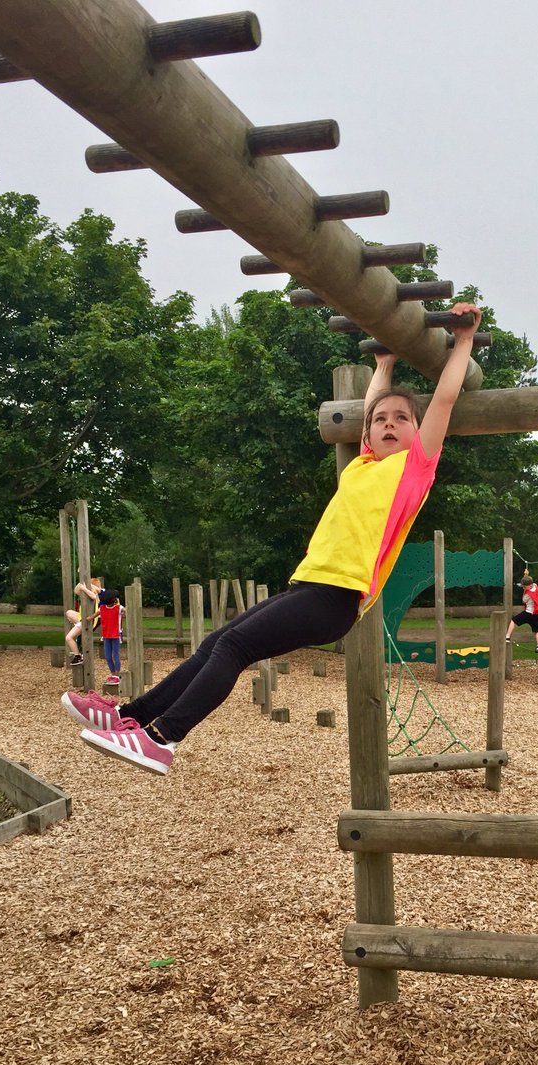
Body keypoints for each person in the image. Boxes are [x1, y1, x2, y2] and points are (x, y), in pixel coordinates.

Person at [60, 302, 483, 775]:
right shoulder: (365, 464)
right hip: (311, 588)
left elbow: (443, 401)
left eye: (401, 419)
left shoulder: (414, 469)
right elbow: (369, 407)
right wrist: (382, 365)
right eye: (381, 420)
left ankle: (161, 738)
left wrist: (463, 341)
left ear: (417, 433)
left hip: (338, 597)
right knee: (216, 643)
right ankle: (128, 716)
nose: (387, 424)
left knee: (232, 648)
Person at [64, 577, 102, 665]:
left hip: (85, 622)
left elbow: (93, 595)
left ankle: (78, 656)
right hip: (82, 620)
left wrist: (84, 588)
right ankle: (77, 653)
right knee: (69, 613)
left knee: (69, 638)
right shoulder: (88, 596)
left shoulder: (94, 595)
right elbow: (78, 591)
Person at [505, 570, 538, 653]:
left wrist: (525, 591)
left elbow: (523, 601)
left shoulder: (527, 595)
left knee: (513, 620)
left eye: (524, 587)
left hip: (528, 613)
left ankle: (507, 636)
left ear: (529, 586)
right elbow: (529, 582)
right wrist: (526, 575)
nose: (523, 588)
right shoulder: (535, 586)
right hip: (537, 614)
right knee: (536, 630)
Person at [97, 588, 125, 685]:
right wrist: (87, 619)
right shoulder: (102, 609)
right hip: (106, 635)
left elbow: (125, 611)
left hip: (116, 634)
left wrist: (124, 613)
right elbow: (95, 615)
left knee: (115, 655)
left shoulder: (119, 608)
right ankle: (113, 674)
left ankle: (117, 675)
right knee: (108, 656)